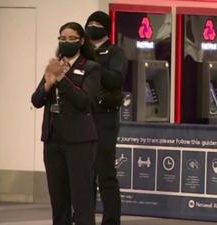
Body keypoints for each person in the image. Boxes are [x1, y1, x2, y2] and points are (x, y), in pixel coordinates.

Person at [31, 22, 101, 225]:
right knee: (58, 198)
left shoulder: (91, 68)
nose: (66, 42)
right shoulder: (55, 66)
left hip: (79, 141)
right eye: (62, 38)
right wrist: (48, 83)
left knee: (81, 197)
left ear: (81, 41)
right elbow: (36, 101)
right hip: (53, 140)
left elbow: (85, 102)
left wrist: (62, 79)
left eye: (71, 39)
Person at [85, 11, 127, 225]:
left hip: (105, 119)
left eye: (96, 24)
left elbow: (116, 79)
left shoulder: (114, 52)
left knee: (105, 174)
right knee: (85, 175)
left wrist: (94, 65)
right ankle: (83, 218)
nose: (92, 27)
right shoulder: (82, 52)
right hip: (84, 118)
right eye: (89, 23)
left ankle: (111, 220)